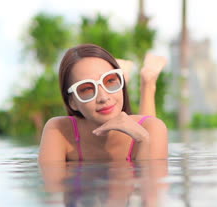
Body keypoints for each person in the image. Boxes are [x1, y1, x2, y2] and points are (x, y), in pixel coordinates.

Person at [38, 44, 168, 162]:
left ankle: (148, 81)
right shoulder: (59, 130)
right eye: (87, 89)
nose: (103, 97)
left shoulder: (153, 128)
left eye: (110, 80)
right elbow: (51, 186)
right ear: (72, 102)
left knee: (148, 126)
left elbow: (152, 186)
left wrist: (143, 139)